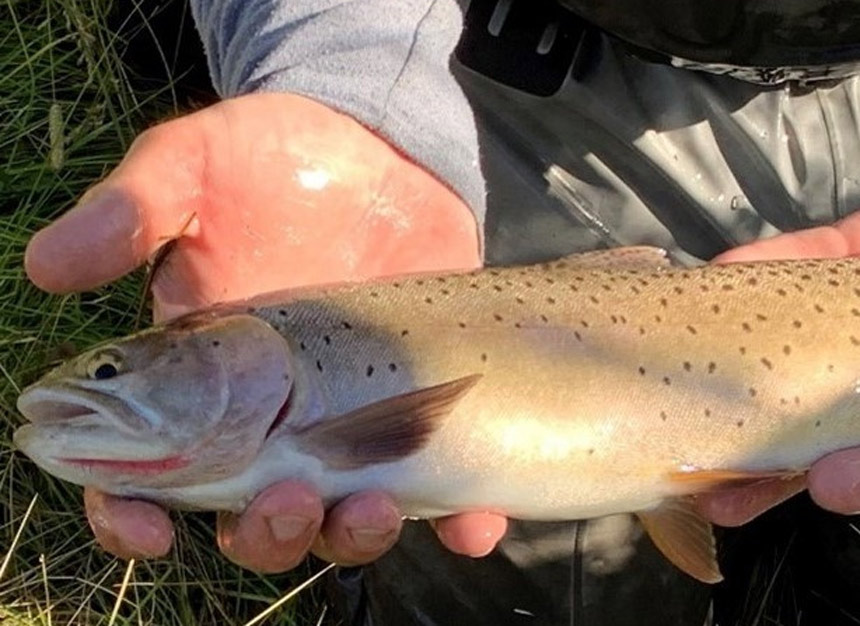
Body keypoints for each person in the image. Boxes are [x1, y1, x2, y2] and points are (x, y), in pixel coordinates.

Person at [23, 0, 860, 623]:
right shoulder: (294, 355)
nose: (92, 387)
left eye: (107, 372)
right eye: (109, 369)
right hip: (489, 38)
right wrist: (347, 75)